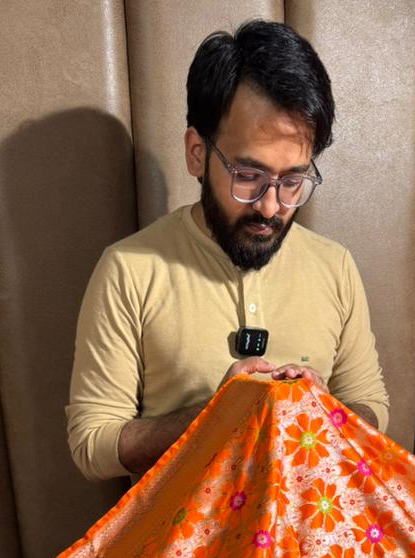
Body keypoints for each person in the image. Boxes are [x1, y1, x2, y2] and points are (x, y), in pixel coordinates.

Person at [66, 19, 390, 482]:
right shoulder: (129, 270)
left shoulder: (334, 265)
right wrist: (216, 415)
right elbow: (92, 445)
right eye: (248, 175)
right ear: (197, 153)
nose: (271, 205)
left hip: (312, 533)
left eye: (293, 180)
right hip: (186, 541)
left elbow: (372, 408)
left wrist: (322, 408)